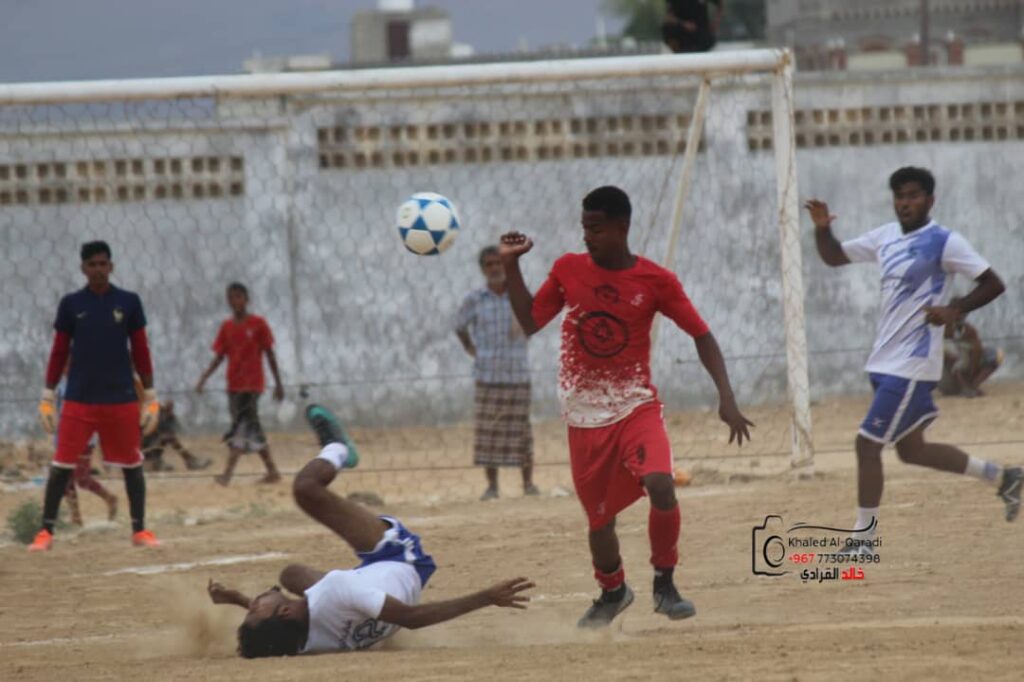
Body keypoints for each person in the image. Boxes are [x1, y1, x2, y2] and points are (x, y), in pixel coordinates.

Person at [498, 186, 753, 628]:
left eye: (596, 229)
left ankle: (665, 584)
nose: (587, 237)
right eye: (584, 228)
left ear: (622, 228)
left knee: (661, 484)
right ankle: (613, 591)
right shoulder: (568, 269)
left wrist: (726, 398)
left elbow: (702, 335)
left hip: (636, 405)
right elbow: (530, 320)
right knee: (600, 524)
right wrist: (510, 265)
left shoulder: (656, 281)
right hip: (583, 417)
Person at [208, 403, 534, 658]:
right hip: (400, 558)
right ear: (284, 610)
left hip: (369, 596)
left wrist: (240, 600)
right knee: (306, 489)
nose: (254, 602)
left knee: (290, 575)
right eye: (255, 607)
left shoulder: (303, 645)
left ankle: (337, 453)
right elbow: (412, 618)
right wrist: (487, 597)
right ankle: (339, 448)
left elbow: (276, 627)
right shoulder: (338, 590)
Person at [805, 166, 1020, 548]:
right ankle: (1004, 478)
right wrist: (822, 229)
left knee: (866, 444)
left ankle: (863, 539)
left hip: (912, 365)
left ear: (930, 200)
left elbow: (993, 283)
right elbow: (835, 256)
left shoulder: (944, 242)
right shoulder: (884, 236)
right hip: (883, 362)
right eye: (900, 196)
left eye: (913, 196)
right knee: (912, 450)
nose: (905, 203)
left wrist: (955, 309)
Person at [30, 240, 161, 551]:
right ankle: (45, 533)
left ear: (111, 266)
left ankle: (139, 531)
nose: (98, 270)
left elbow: (140, 349)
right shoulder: (71, 304)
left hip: (122, 398)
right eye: (92, 265)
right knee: (62, 463)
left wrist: (151, 395)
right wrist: (48, 395)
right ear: (83, 269)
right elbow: (59, 351)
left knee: (132, 464)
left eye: (103, 264)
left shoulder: (129, 302)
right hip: (79, 399)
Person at [455, 245, 539, 501]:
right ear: (483, 269)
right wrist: (471, 348)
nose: (494, 268)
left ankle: (528, 484)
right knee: (488, 433)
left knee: (522, 432)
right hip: (488, 375)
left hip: (517, 375)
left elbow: (534, 323)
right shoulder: (475, 299)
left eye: (498, 263)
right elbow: (459, 326)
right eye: (489, 264)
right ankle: (492, 487)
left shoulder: (519, 296)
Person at [195, 282, 284, 486]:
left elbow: (270, 354)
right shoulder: (226, 327)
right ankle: (272, 471)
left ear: (246, 299)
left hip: (252, 385)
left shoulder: (258, 324)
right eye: (231, 297)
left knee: (241, 427)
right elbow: (219, 356)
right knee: (251, 427)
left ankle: (227, 475)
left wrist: (278, 384)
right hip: (233, 385)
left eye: (238, 296)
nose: (234, 301)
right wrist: (204, 378)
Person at [939, 313, 1004, 398]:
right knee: (953, 357)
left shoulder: (969, 330)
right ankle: (965, 388)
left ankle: (972, 386)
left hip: (967, 364)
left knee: (996, 355)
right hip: (948, 382)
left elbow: (977, 347)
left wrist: (973, 368)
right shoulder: (941, 332)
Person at [141, 399, 212, 472]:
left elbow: (177, 430)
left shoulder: (168, 417)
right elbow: (146, 422)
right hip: (142, 447)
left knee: (167, 436)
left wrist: (169, 417)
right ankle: (189, 460)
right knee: (167, 437)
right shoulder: (153, 408)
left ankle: (157, 461)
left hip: (150, 447)